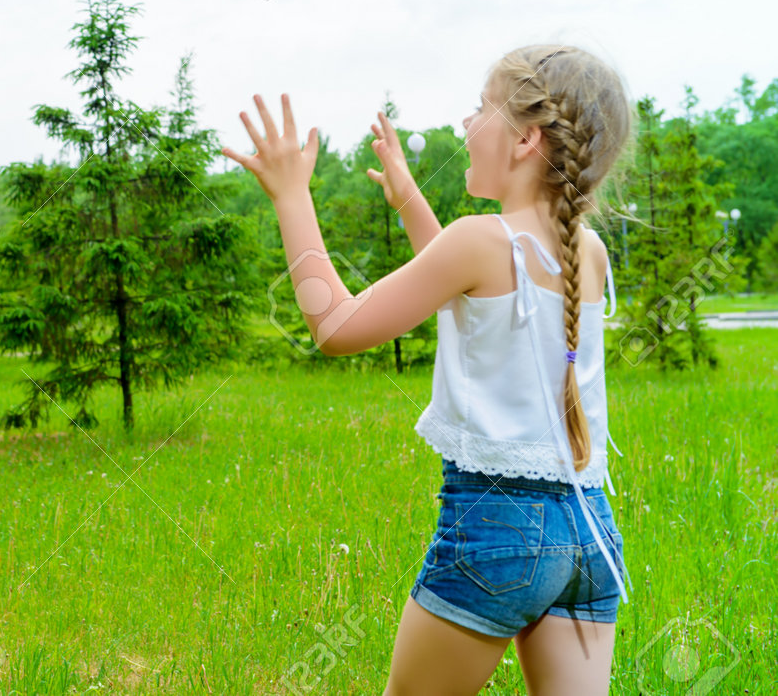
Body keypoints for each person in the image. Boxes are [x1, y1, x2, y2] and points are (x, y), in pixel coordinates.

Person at [222, 45, 633, 695]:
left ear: (526, 138)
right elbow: (471, 292)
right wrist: (409, 195)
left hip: (498, 532)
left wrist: (292, 195)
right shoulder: (588, 250)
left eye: (479, 109)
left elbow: (336, 327)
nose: (466, 125)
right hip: (588, 535)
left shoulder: (479, 242)